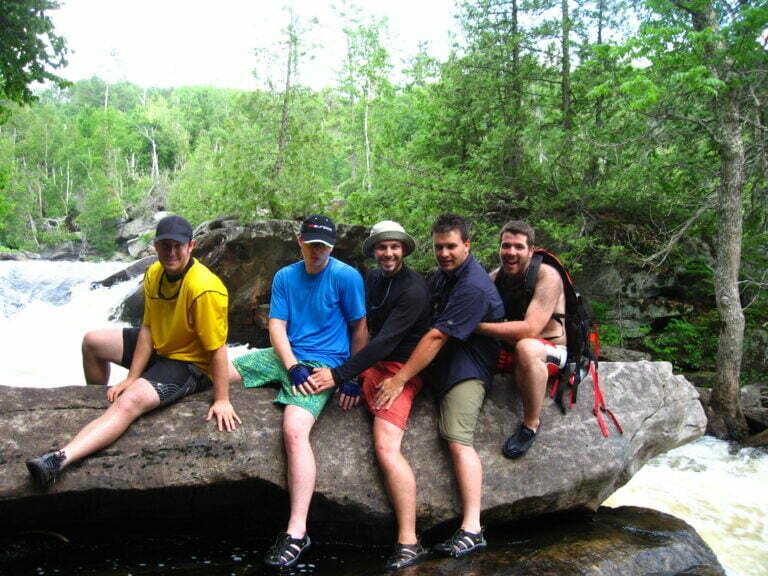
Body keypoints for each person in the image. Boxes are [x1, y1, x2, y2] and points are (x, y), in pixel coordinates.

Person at [26, 214, 240, 488]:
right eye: (165, 246)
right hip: (162, 345)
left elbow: (217, 349)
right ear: (155, 246)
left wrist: (222, 399)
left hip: (190, 363)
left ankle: (58, 461)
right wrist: (131, 376)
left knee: (129, 402)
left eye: (178, 246)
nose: (171, 252)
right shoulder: (154, 273)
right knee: (93, 342)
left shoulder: (205, 288)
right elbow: (148, 330)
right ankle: (98, 409)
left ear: (191, 246)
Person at [228, 214, 367, 569]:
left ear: (332, 247)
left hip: (324, 364)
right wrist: (290, 365)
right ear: (300, 241)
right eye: (311, 243)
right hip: (286, 356)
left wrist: (350, 375)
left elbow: (359, 326)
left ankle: (296, 531)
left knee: (293, 429)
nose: (316, 250)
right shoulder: (285, 276)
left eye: (323, 245)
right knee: (219, 371)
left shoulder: (346, 277)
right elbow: (277, 325)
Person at [374, 214, 504, 559]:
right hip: (443, 361)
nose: (444, 253)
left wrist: (400, 378)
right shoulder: (445, 276)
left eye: (451, 247)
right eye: (438, 247)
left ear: (467, 245)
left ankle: (473, 528)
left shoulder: (472, 287)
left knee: (457, 438)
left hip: (468, 366)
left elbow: (436, 335)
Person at [309, 220, 431, 570]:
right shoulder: (374, 279)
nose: (388, 253)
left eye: (394, 247)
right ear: (374, 251)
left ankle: (409, 540)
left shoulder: (413, 289)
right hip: (372, 361)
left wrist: (340, 374)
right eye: (382, 247)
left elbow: (387, 341)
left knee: (385, 446)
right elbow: (362, 327)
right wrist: (351, 377)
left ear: (404, 250)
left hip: (400, 369)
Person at [475, 220, 567, 459]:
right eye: (506, 246)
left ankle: (530, 424)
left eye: (518, 247)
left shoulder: (548, 276)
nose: (511, 253)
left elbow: (530, 328)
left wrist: (477, 327)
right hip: (509, 348)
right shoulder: (495, 278)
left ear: (531, 250)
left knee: (526, 347)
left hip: (550, 348)